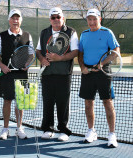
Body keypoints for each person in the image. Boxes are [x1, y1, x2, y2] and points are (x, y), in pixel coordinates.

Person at [78, 8, 120, 148]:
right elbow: (80, 53)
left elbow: (115, 52)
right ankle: (91, 131)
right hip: (88, 73)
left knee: (107, 102)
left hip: (103, 72)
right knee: (88, 103)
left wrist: (101, 64)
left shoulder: (107, 33)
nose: (91, 22)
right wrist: (83, 67)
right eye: (89, 19)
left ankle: (112, 135)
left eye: (94, 19)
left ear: (99, 19)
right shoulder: (83, 35)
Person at [36, 7, 79, 141]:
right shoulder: (44, 33)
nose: (56, 20)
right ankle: (48, 129)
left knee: (63, 103)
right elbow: (38, 50)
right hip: (47, 74)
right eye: (53, 17)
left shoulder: (71, 32)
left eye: (58, 17)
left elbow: (75, 51)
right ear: (50, 19)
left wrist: (60, 58)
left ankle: (63, 130)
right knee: (47, 102)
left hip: (63, 74)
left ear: (63, 18)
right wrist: (42, 59)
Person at [0, 9, 34, 140]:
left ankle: (19, 128)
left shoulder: (28, 35)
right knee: (7, 101)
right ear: (9, 20)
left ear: (21, 20)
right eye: (13, 18)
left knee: (21, 102)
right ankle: (5, 129)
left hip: (22, 74)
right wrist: (2, 66)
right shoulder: (1, 36)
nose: (15, 21)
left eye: (18, 18)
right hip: (7, 74)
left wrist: (28, 64)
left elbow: (31, 54)